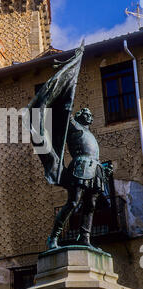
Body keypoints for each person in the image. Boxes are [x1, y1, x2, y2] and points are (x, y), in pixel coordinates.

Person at [47, 107, 113, 250]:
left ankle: (84, 237)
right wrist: (66, 105)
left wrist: (104, 169)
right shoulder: (74, 125)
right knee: (73, 202)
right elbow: (64, 113)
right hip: (80, 166)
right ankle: (53, 237)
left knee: (90, 205)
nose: (90, 116)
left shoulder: (90, 134)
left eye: (91, 115)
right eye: (86, 114)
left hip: (95, 168)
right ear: (79, 116)